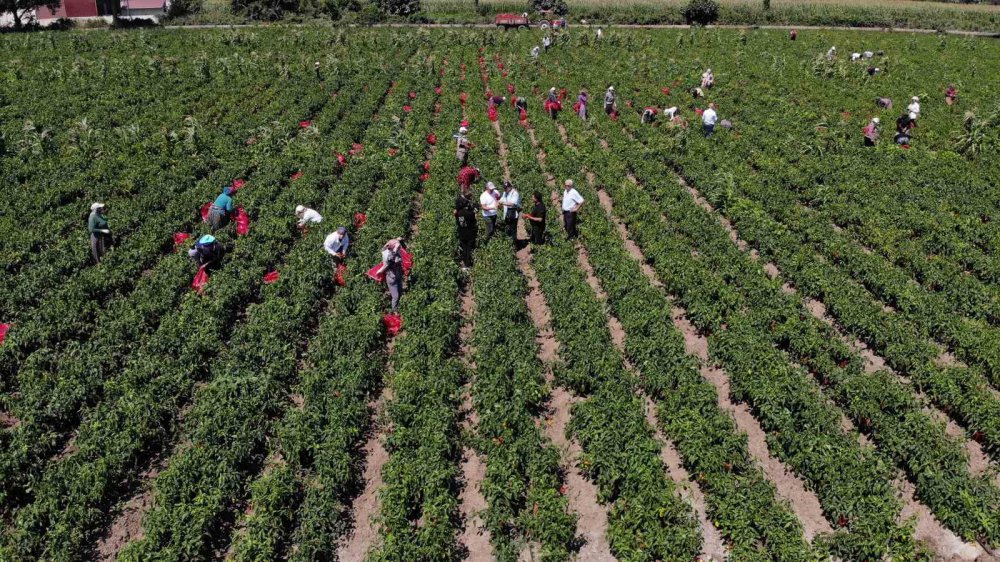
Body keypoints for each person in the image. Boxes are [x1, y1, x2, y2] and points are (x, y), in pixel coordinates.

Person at [454, 184, 478, 269]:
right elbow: (474, 221)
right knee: (469, 248)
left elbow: (459, 220)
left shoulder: (459, 214)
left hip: (462, 231)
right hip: (469, 232)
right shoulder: (470, 214)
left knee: (464, 248)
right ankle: (468, 264)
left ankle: (465, 264)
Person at [379, 238, 405, 311]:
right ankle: (394, 311)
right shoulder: (388, 255)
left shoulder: (389, 249)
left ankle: (398, 306)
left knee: (400, 292)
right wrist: (395, 249)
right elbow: (391, 260)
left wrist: (398, 239)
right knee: (395, 296)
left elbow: (392, 244)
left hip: (398, 274)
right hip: (391, 277)